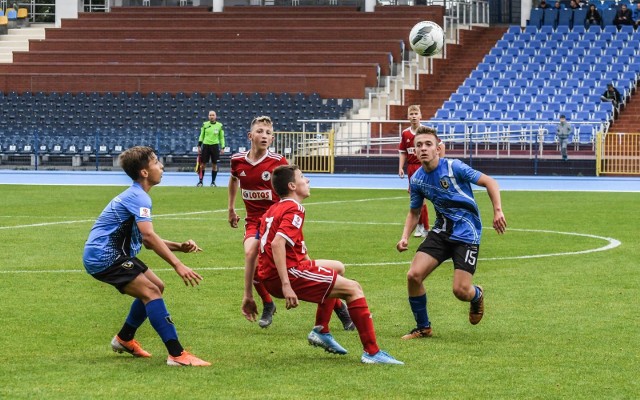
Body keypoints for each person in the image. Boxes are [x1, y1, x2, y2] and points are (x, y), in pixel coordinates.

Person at [243, 164, 403, 364]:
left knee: (336, 268)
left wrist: (248, 293)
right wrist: (286, 284)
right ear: (292, 185)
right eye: (303, 177)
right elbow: (277, 244)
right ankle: (372, 353)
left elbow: (255, 251)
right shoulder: (295, 208)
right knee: (354, 289)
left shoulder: (271, 210)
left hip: (271, 274)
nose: (307, 180)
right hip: (288, 274)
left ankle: (321, 330)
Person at [83, 146, 210, 367]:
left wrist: (179, 247)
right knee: (151, 292)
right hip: (104, 256)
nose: (161, 167)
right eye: (156, 163)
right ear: (144, 172)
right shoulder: (139, 197)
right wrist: (178, 265)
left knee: (156, 286)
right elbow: (149, 238)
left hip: (111, 254)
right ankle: (177, 355)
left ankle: (124, 338)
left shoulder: (136, 195)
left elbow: (145, 238)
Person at [230, 116, 354, 330]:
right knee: (252, 254)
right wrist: (231, 207)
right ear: (250, 136)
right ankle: (267, 303)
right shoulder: (237, 161)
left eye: (268, 133)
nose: (264, 136)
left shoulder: (278, 162)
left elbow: (290, 190)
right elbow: (234, 179)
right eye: (260, 131)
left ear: (273, 137)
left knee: (306, 263)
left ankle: (340, 308)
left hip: (277, 220)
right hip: (254, 221)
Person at [396, 126, 507, 340]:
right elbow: (414, 212)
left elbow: (490, 182)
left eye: (428, 144)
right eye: (419, 145)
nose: (423, 149)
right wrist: (404, 237)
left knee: (461, 291)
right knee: (413, 275)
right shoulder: (417, 179)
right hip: (441, 231)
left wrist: (498, 211)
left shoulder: (454, 167)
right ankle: (423, 327)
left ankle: (477, 295)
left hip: (467, 233)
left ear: (439, 148)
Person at [398, 105, 431, 238]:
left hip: (423, 167)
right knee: (415, 199)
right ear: (408, 116)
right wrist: (400, 167)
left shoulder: (425, 131)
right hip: (411, 168)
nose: (413, 116)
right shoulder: (405, 133)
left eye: (416, 113)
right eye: (411, 114)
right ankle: (420, 226)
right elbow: (403, 152)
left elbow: (440, 146)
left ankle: (426, 227)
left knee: (423, 200)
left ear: (420, 115)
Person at [197, 110, 225, 187]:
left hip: (215, 146)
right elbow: (201, 135)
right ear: (208, 116)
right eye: (210, 115)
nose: (211, 116)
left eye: (213, 115)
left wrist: (223, 147)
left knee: (214, 165)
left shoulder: (220, 125)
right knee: (202, 165)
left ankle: (213, 182)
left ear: (215, 116)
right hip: (206, 145)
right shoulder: (204, 124)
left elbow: (221, 137)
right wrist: (199, 145)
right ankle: (200, 181)